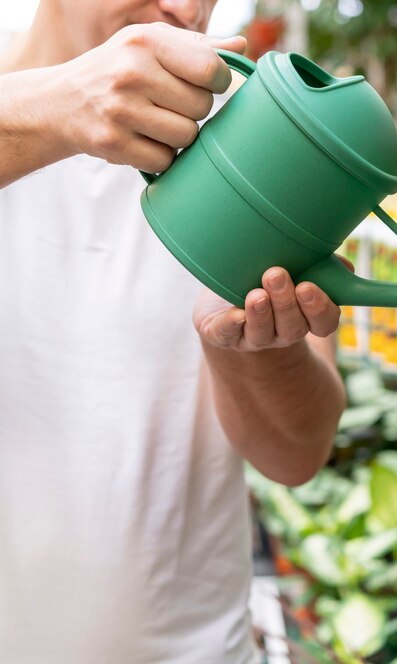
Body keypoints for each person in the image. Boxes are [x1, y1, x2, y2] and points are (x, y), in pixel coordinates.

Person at [0, 2, 347, 661]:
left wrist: (256, 357)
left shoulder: (267, 132)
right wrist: (51, 109)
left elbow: (297, 456)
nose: (189, 8)